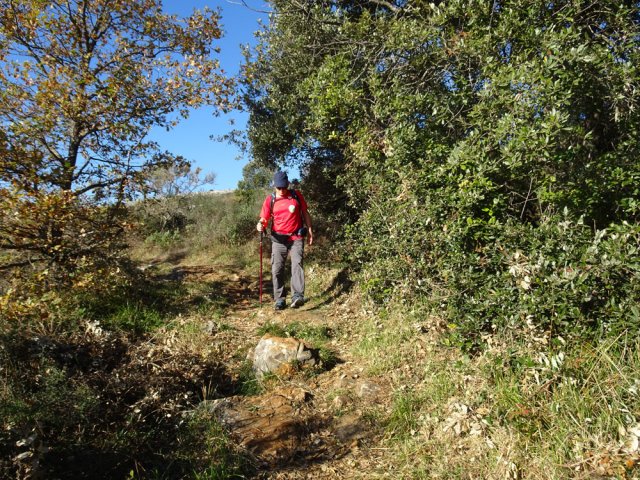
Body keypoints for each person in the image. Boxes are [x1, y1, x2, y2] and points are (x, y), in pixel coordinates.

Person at [256, 171, 314, 310]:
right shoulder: (270, 200)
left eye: (284, 187)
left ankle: (297, 296)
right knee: (277, 269)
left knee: (297, 264)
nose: (282, 190)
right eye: (279, 187)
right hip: (278, 239)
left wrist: (310, 230)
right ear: (274, 186)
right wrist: (260, 225)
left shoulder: (296, 195)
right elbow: (264, 218)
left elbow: (305, 212)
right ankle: (280, 299)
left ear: (288, 184)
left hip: (296, 237)